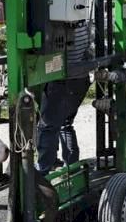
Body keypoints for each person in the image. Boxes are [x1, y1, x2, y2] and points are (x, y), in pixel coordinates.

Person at [36, 21, 93, 175]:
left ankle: (42, 172)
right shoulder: (81, 18)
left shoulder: (56, 21)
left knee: (47, 126)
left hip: (63, 80)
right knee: (65, 123)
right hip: (80, 80)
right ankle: (72, 167)